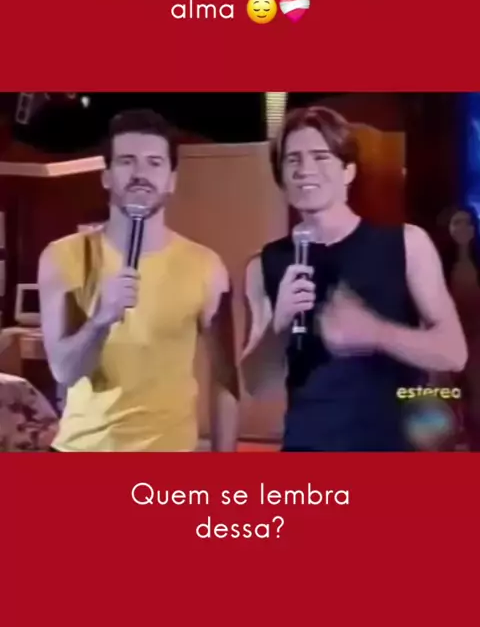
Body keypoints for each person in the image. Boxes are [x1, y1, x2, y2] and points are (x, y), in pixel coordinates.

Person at [241, 104, 467, 451]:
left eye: (320, 157)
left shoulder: (406, 244)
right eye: (292, 160)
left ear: (348, 170)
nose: (305, 169)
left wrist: (376, 332)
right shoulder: (264, 265)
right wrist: (280, 324)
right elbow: (255, 384)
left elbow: (454, 353)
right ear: (281, 177)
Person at [38, 109, 239, 452]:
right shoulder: (62, 257)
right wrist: (100, 320)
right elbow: (64, 371)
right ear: (106, 176)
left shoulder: (207, 267)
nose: (140, 174)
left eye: (154, 163)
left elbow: (225, 379)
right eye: (127, 161)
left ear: (172, 180)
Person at [440, 207, 480, 449]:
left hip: (477, 340)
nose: (463, 228)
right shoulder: (439, 264)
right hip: (448, 339)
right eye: (457, 223)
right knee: (448, 399)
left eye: (467, 223)